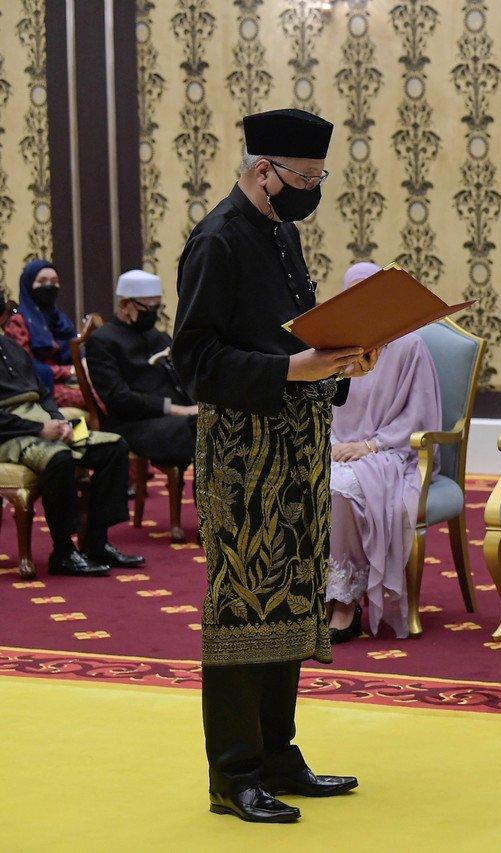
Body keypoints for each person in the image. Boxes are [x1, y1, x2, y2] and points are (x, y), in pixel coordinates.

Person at [173, 108, 375, 824]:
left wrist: (345, 355)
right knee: (241, 608)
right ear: (264, 172)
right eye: (305, 179)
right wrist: (297, 368)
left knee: (290, 599)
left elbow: (299, 335)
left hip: (296, 447)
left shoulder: (282, 234)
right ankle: (233, 773)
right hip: (242, 456)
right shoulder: (217, 241)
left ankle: (277, 755)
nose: (310, 192)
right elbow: (194, 364)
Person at [327, 262, 443, 644]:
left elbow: (421, 417)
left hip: (393, 452)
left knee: (340, 488)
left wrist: (369, 446)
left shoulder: (409, 344)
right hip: (336, 446)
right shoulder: (334, 346)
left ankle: (345, 602)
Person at [0, 331, 143, 577]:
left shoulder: (10, 346)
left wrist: (59, 421)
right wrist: (40, 429)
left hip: (44, 422)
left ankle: (96, 543)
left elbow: (43, 393)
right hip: (10, 434)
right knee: (59, 459)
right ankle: (64, 552)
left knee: (114, 446)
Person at [83, 270, 197, 469]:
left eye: (157, 307)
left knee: (218, 419)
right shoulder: (103, 341)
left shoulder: (156, 335)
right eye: (149, 308)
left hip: (176, 418)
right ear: (125, 305)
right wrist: (178, 410)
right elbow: (118, 398)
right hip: (136, 424)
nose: (153, 314)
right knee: (201, 427)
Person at [16, 259, 86, 408]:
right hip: (42, 386)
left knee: (107, 391)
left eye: (54, 281)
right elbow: (26, 367)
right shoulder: (18, 322)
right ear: (29, 286)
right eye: (41, 282)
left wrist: (82, 365)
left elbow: (76, 353)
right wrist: (69, 371)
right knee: (95, 398)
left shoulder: (60, 319)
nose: (49, 286)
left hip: (72, 381)